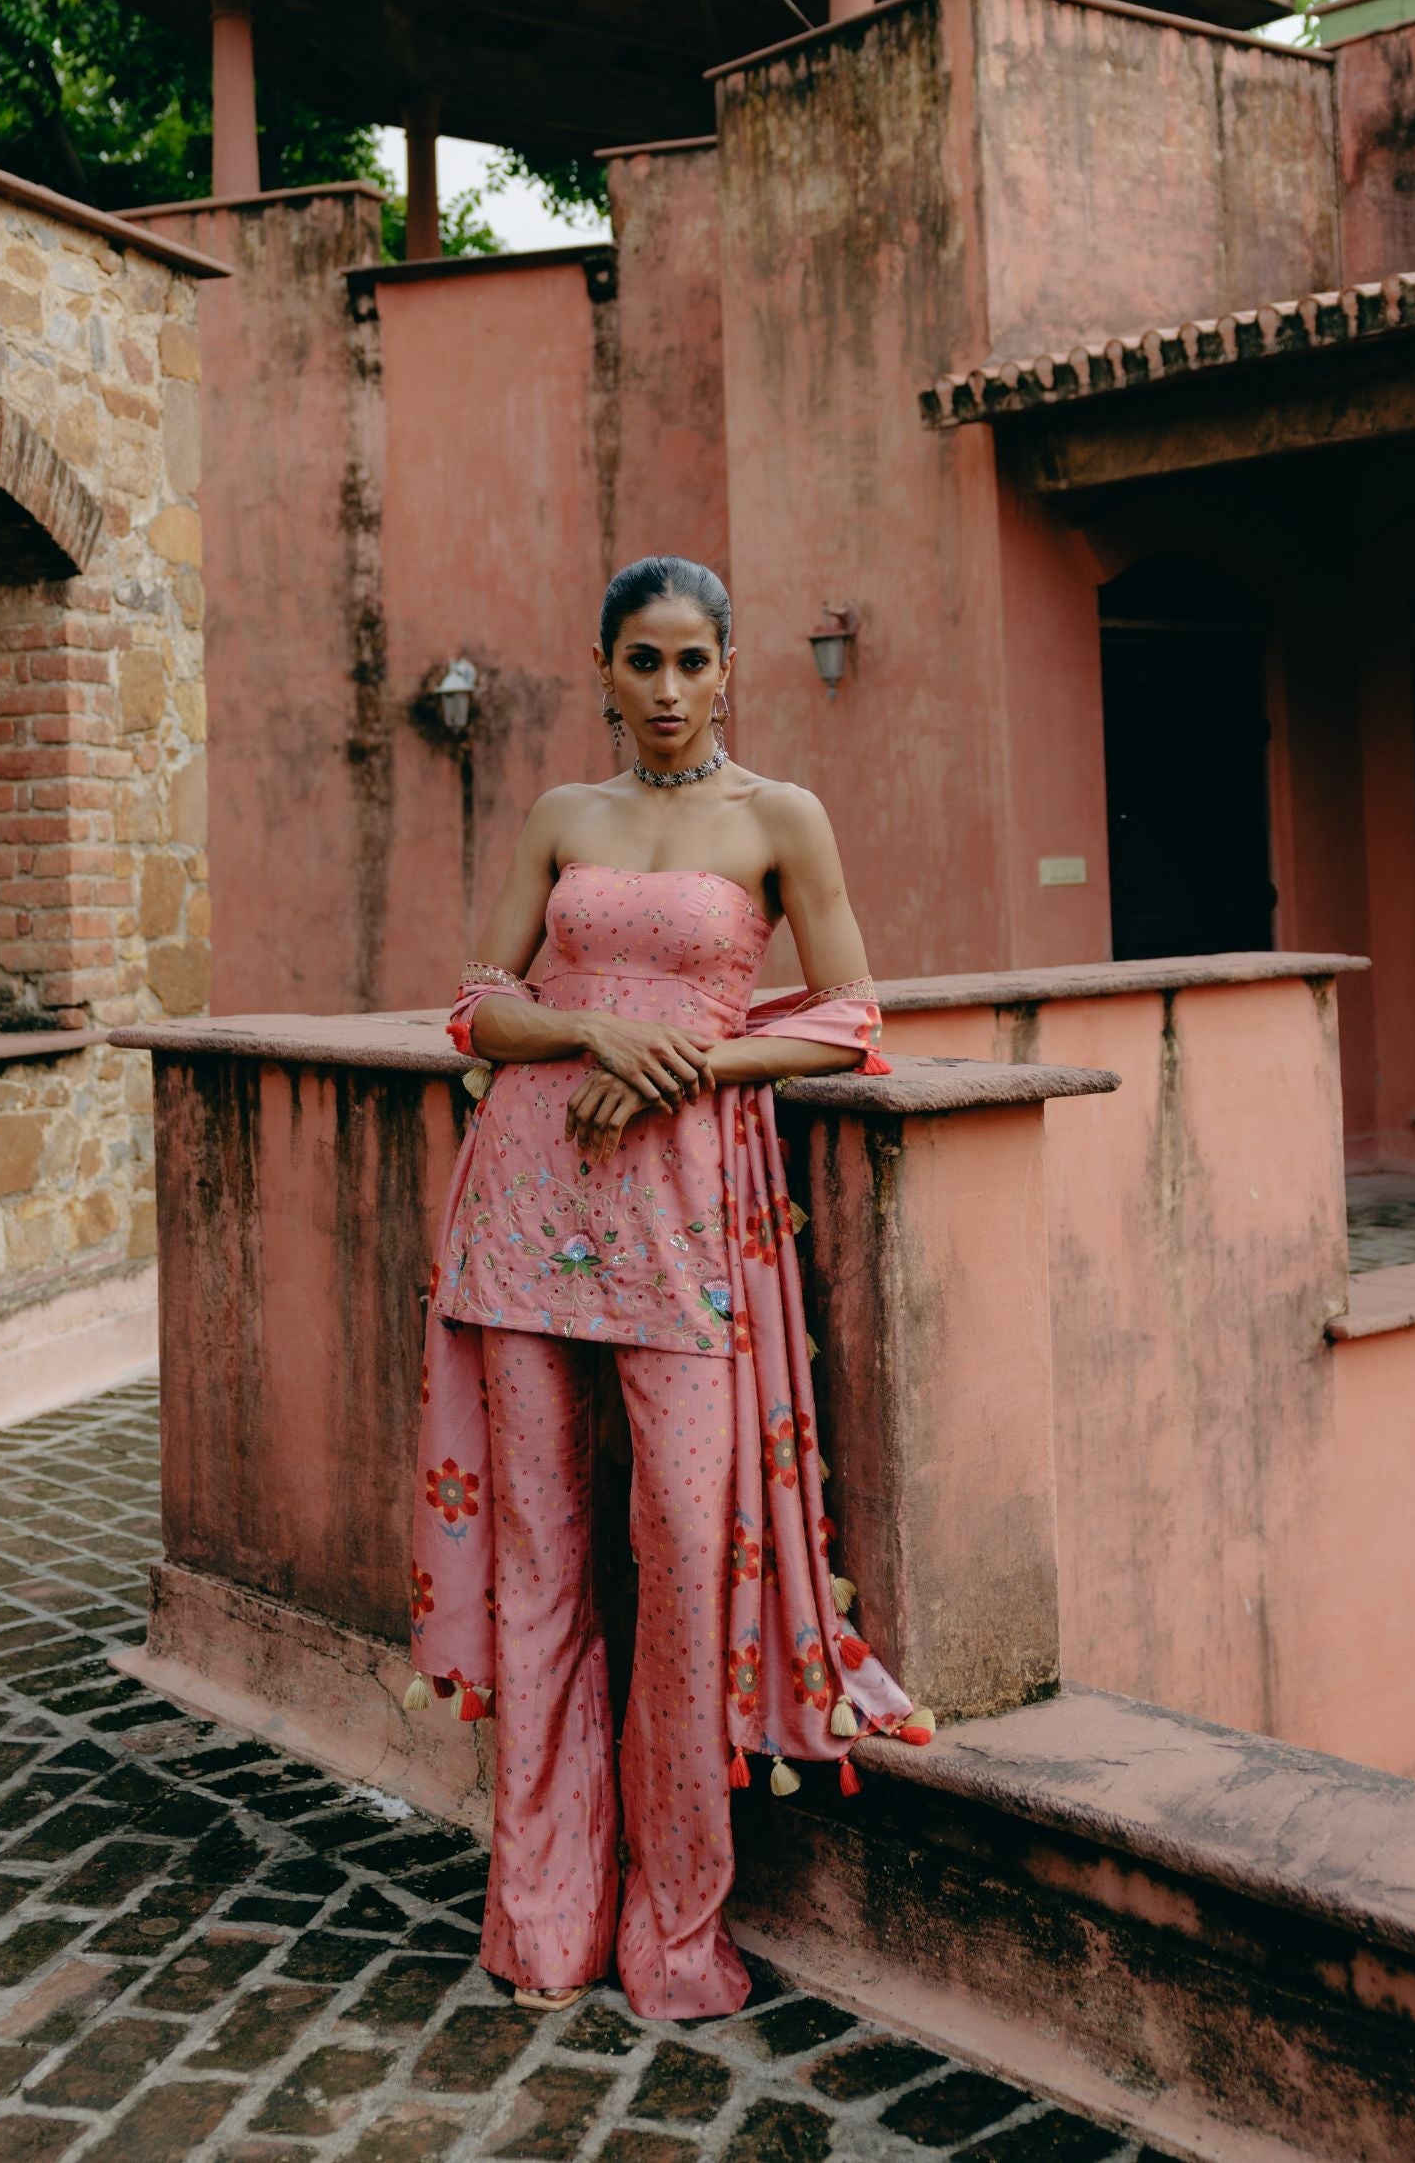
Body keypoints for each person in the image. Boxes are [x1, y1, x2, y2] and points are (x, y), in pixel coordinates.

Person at [405, 555, 930, 2022]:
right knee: (542, 1566)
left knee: (686, 1559)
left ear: (729, 667)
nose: (668, 688)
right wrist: (591, 1040)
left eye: (693, 661)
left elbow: (850, 1019)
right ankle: (545, 1921)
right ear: (604, 669)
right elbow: (474, 1008)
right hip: (526, 1209)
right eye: (642, 660)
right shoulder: (563, 816)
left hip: (685, 1224)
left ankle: (677, 1933)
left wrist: (686, 1062)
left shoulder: (779, 819)